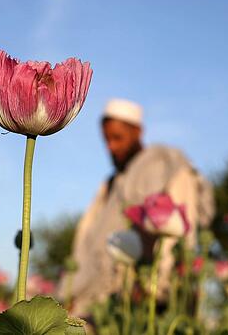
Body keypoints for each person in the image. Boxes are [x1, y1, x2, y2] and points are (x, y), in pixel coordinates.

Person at [66, 98, 215, 318]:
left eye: (117, 138)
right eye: (106, 139)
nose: (111, 147)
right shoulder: (111, 184)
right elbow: (86, 242)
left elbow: (180, 230)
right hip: (95, 302)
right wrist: (71, 291)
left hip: (143, 298)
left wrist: (155, 286)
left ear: (138, 132)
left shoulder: (165, 164)